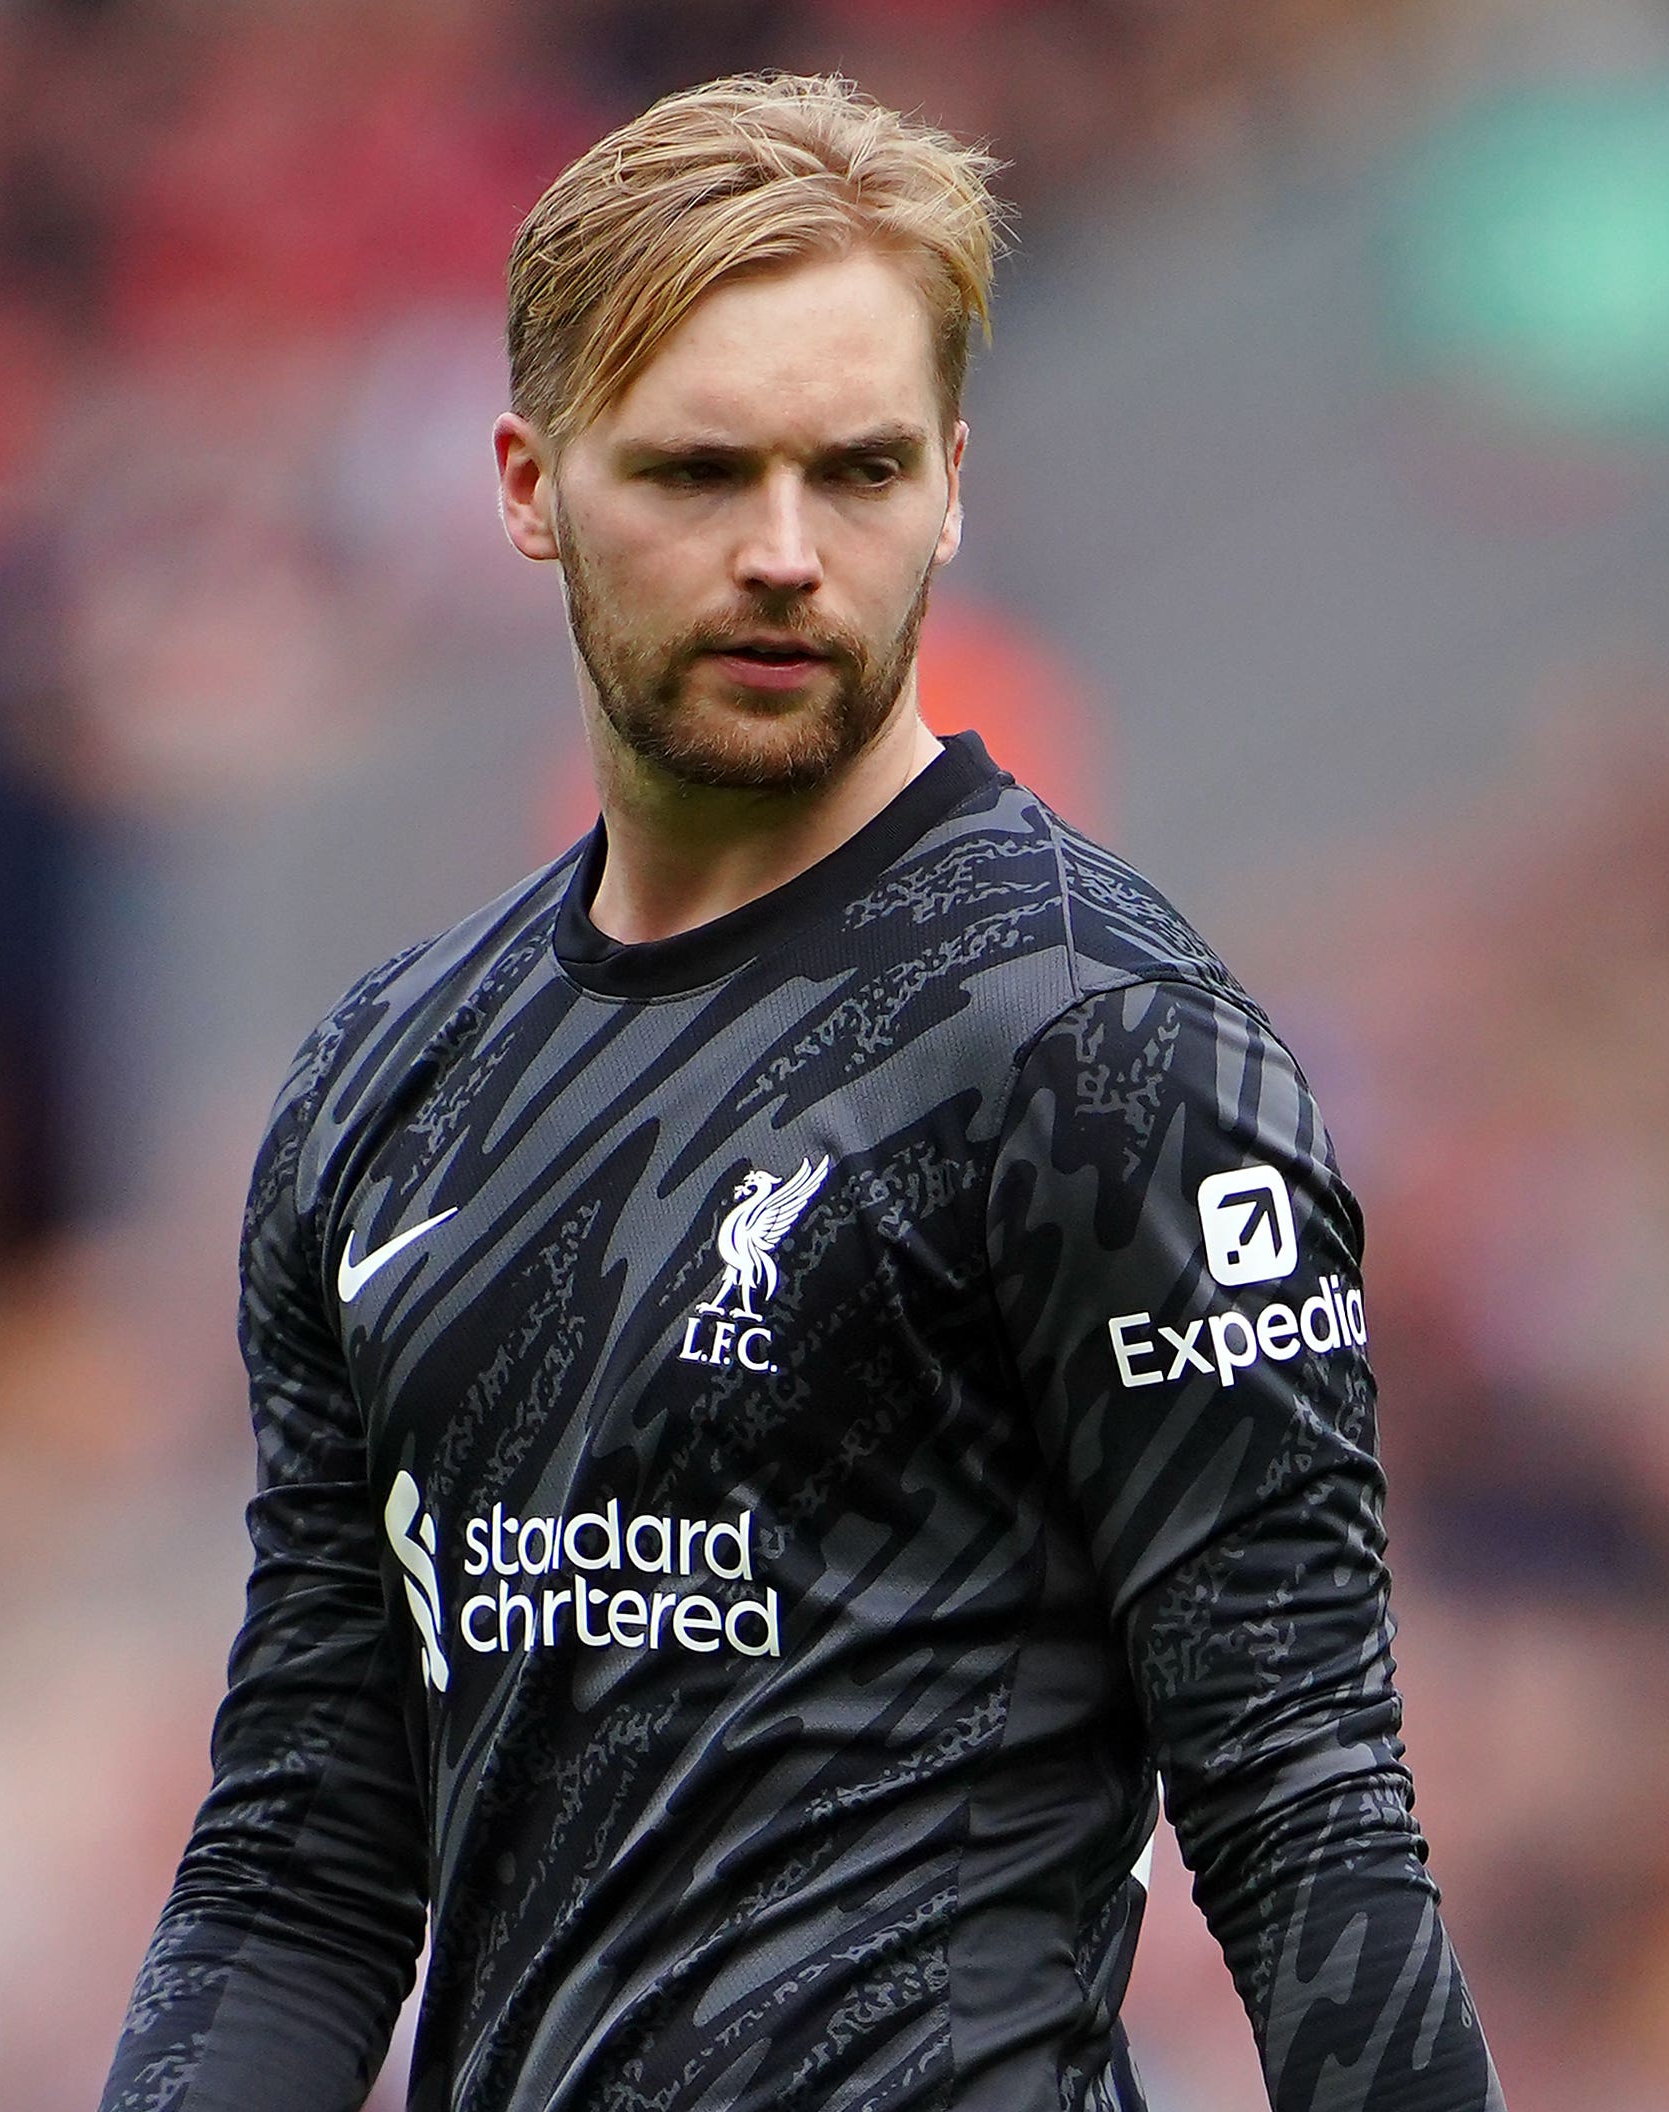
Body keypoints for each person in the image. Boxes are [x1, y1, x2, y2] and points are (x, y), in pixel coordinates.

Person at [99, 72, 1503, 2112]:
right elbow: (304, 1862)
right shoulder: (382, 1085)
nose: (782, 555)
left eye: (853, 473)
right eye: (696, 473)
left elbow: (1310, 1829)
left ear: (948, 485)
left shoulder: (1107, 1048)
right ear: (526, 480)